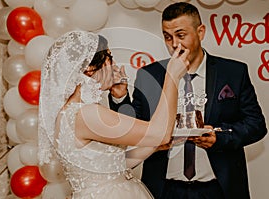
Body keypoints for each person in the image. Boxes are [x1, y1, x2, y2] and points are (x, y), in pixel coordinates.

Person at [109, 2, 267, 199]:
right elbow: (131, 130)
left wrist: (220, 137)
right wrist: (120, 97)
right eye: (168, 37)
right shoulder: (149, 75)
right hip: (164, 189)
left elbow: (256, 125)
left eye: (181, 35)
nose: (174, 44)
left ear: (200, 32)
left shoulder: (233, 72)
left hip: (219, 188)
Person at [37, 30, 189, 198]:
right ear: (89, 67)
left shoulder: (70, 112)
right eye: (110, 58)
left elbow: (113, 165)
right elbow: (160, 134)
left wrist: (154, 146)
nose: (115, 66)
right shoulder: (86, 114)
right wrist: (172, 76)